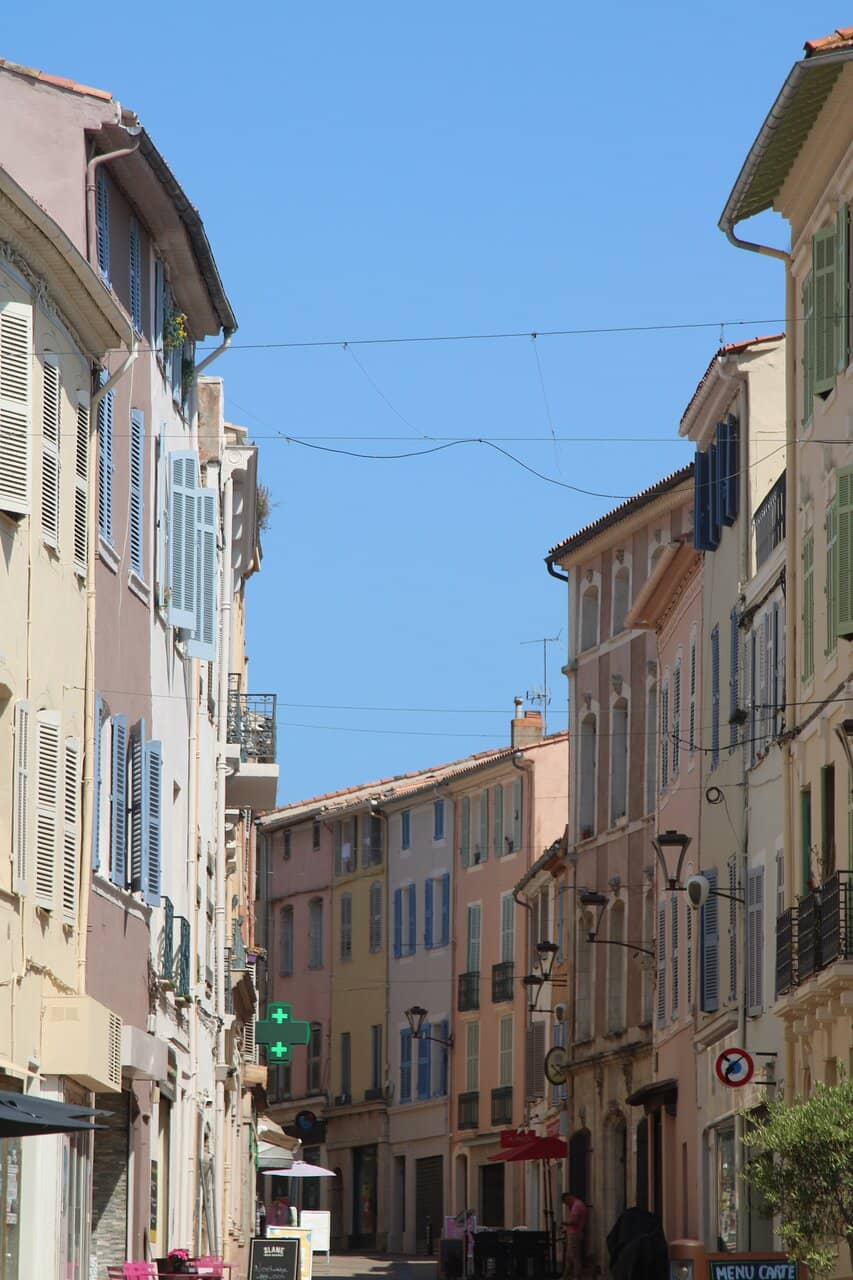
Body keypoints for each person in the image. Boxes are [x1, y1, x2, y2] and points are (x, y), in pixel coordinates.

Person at [562, 1192, 587, 1278]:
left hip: (574, 1233)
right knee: (570, 1256)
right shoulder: (579, 1204)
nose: (567, 1204)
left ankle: (577, 1275)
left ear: (568, 1197)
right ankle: (566, 1275)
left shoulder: (576, 1206)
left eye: (566, 1202)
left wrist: (565, 1223)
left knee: (574, 1255)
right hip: (576, 1232)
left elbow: (574, 1221)